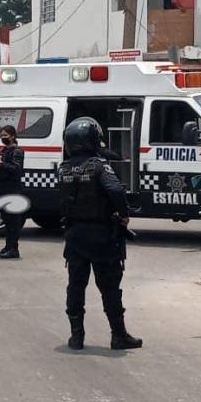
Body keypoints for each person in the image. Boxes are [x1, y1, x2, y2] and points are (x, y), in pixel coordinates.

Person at [58, 117, 142, 351]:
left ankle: (76, 337)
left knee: (75, 286)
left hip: (74, 235)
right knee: (110, 288)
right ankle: (118, 335)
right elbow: (115, 189)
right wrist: (124, 215)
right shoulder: (99, 165)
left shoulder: (63, 169)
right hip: (102, 236)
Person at [0, 125, 24, 259]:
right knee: (7, 221)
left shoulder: (17, 151)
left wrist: (1, 165)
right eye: (1, 136)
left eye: (5, 135)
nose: (3, 138)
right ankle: (8, 246)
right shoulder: (3, 150)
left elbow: (16, 169)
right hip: (2, 188)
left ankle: (14, 249)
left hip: (13, 190)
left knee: (13, 221)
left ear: (13, 136)